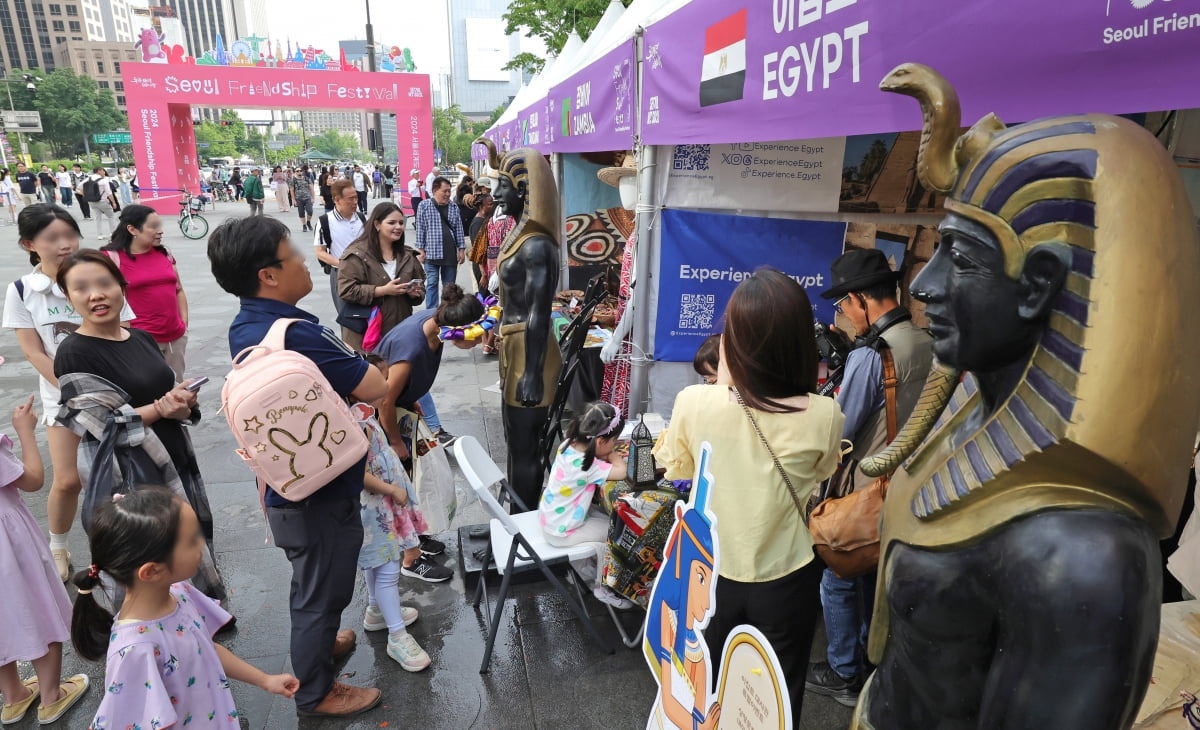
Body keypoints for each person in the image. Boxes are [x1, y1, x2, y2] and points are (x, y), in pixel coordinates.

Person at [209, 214, 387, 718]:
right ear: (269, 274)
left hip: (288, 481)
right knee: (320, 592)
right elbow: (373, 387)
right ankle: (316, 691)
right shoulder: (298, 332)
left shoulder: (247, 325)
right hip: (320, 490)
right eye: (295, 256)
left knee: (315, 580)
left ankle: (323, 642)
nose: (307, 262)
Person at [654, 268, 845, 723]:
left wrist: (726, 381)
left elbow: (675, 467)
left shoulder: (694, 401)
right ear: (801, 340)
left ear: (731, 339)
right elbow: (822, 471)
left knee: (706, 689)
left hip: (710, 572)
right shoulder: (824, 413)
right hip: (787, 574)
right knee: (776, 698)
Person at [52, 249, 224, 599]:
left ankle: (198, 622)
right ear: (69, 298)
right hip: (129, 477)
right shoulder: (74, 351)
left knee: (184, 545)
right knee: (151, 562)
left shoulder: (141, 337)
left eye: (104, 283)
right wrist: (162, 408)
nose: (95, 294)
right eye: (81, 288)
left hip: (172, 455)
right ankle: (154, 641)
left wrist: (179, 403)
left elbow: (159, 395)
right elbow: (103, 422)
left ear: (121, 286)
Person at [805, 248, 934, 707]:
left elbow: (844, 425)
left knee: (839, 576)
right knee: (876, 574)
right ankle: (871, 654)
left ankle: (843, 671)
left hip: (869, 488)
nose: (840, 315)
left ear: (861, 299)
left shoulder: (870, 356)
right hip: (914, 483)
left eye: (843, 304)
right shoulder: (926, 342)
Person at [71, 490, 299, 728]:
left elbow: (206, 650)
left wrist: (264, 680)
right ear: (152, 571)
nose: (201, 543)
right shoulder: (136, 649)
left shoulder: (180, 593)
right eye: (191, 540)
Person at [3, 205, 133, 582]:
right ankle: (57, 546)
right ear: (30, 244)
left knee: (119, 478)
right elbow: (32, 351)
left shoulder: (98, 275)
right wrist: (75, 389)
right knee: (67, 480)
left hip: (114, 394)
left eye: (69, 235)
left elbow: (124, 332)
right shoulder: (23, 290)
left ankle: (123, 547)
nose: (64, 244)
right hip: (62, 400)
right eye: (52, 238)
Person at [0, 394, 90, 726]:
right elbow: (34, 480)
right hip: (8, 540)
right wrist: (25, 430)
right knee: (39, 604)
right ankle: (51, 696)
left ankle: (13, 696)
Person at [353, 353, 437, 670]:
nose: (386, 384)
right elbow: (357, 473)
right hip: (374, 510)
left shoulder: (362, 412)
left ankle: (376, 610)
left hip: (378, 508)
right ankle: (397, 637)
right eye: (380, 378)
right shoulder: (355, 422)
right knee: (388, 569)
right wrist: (391, 490)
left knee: (376, 564)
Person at [374, 284, 489, 464]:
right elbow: (385, 400)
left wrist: (411, 398)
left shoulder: (435, 320)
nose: (477, 341)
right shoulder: (411, 350)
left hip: (398, 404)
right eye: (475, 334)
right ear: (455, 330)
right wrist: (395, 442)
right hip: (379, 413)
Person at [538, 401, 633, 608]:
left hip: (552, 520)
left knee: (603, 517)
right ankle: (602, 587)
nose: (615, 445)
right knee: (616, 529)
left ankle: (582, 570)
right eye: (614, 441)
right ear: (600, 442)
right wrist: (612, 455)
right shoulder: (588, 465)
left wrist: (605, 451)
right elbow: (621, 472)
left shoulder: (567, 444)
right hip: (563, 532)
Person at [101, 205, 189, 381]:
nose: (160, 231)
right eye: (153, 226)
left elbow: (178, 289)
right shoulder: (110, 258)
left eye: (160, 225)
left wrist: (183, 322)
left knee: (177, 389)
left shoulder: (165, 253)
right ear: (132, 229)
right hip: (139, 341)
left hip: (175, 337)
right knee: (150, 391)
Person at [337, 201, 424, 351]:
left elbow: (420, 291)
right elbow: (346, 290)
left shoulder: (408, 255)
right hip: (366, 335)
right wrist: (382, 291)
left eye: (401, 223)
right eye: (392, 223)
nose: (398, 227)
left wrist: (414, 293)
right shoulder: (356, 254)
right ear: (377, 224)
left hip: (400, 331)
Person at [315, 179, 366, 316]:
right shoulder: (325, 221)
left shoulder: (361, 218)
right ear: (337, 200)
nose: (355, 202)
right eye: (351, 199)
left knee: (369, 317)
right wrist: (344, 265)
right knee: (348, 318)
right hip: (341, 275)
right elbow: (320, 252)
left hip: (365, 273)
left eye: (356, 197)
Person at [415, 177, 466, 310]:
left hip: (450, 255)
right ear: (435, 190)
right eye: (445, 191)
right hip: (431, 254)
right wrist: (420, 250)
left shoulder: (453, 207)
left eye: (449, 191)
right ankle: (432, 313)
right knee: (431, 283)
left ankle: (447, 312)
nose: (448, 194)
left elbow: (458, 229)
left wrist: (461, 250)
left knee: (449, 286)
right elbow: (420, 228)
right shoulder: (424, 206)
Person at [88, 167, 119, 241]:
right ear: (99, 171)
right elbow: (109, 193)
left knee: (98, 218)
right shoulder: (104, 180)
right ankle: (113, 233)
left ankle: (100, 235)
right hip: (103, 201)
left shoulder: (88, 179)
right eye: (103, 171)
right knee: (111, 216)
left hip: (92, 202)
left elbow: (80, 188)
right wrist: (114, 202)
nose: (104, 172)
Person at [290, 167, 315, 232]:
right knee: (301, 212)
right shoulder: (293, 180)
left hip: (307, 197)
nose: (299, 172)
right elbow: (292, 191)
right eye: (297, 171)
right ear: (295, 172)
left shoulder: (307, 179)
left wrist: (313, 198)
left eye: (300, 171)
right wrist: (294, 200)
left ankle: (308, 222)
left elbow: (312, 188)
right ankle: (304, 225)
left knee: (310, 211)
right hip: (299, 198)